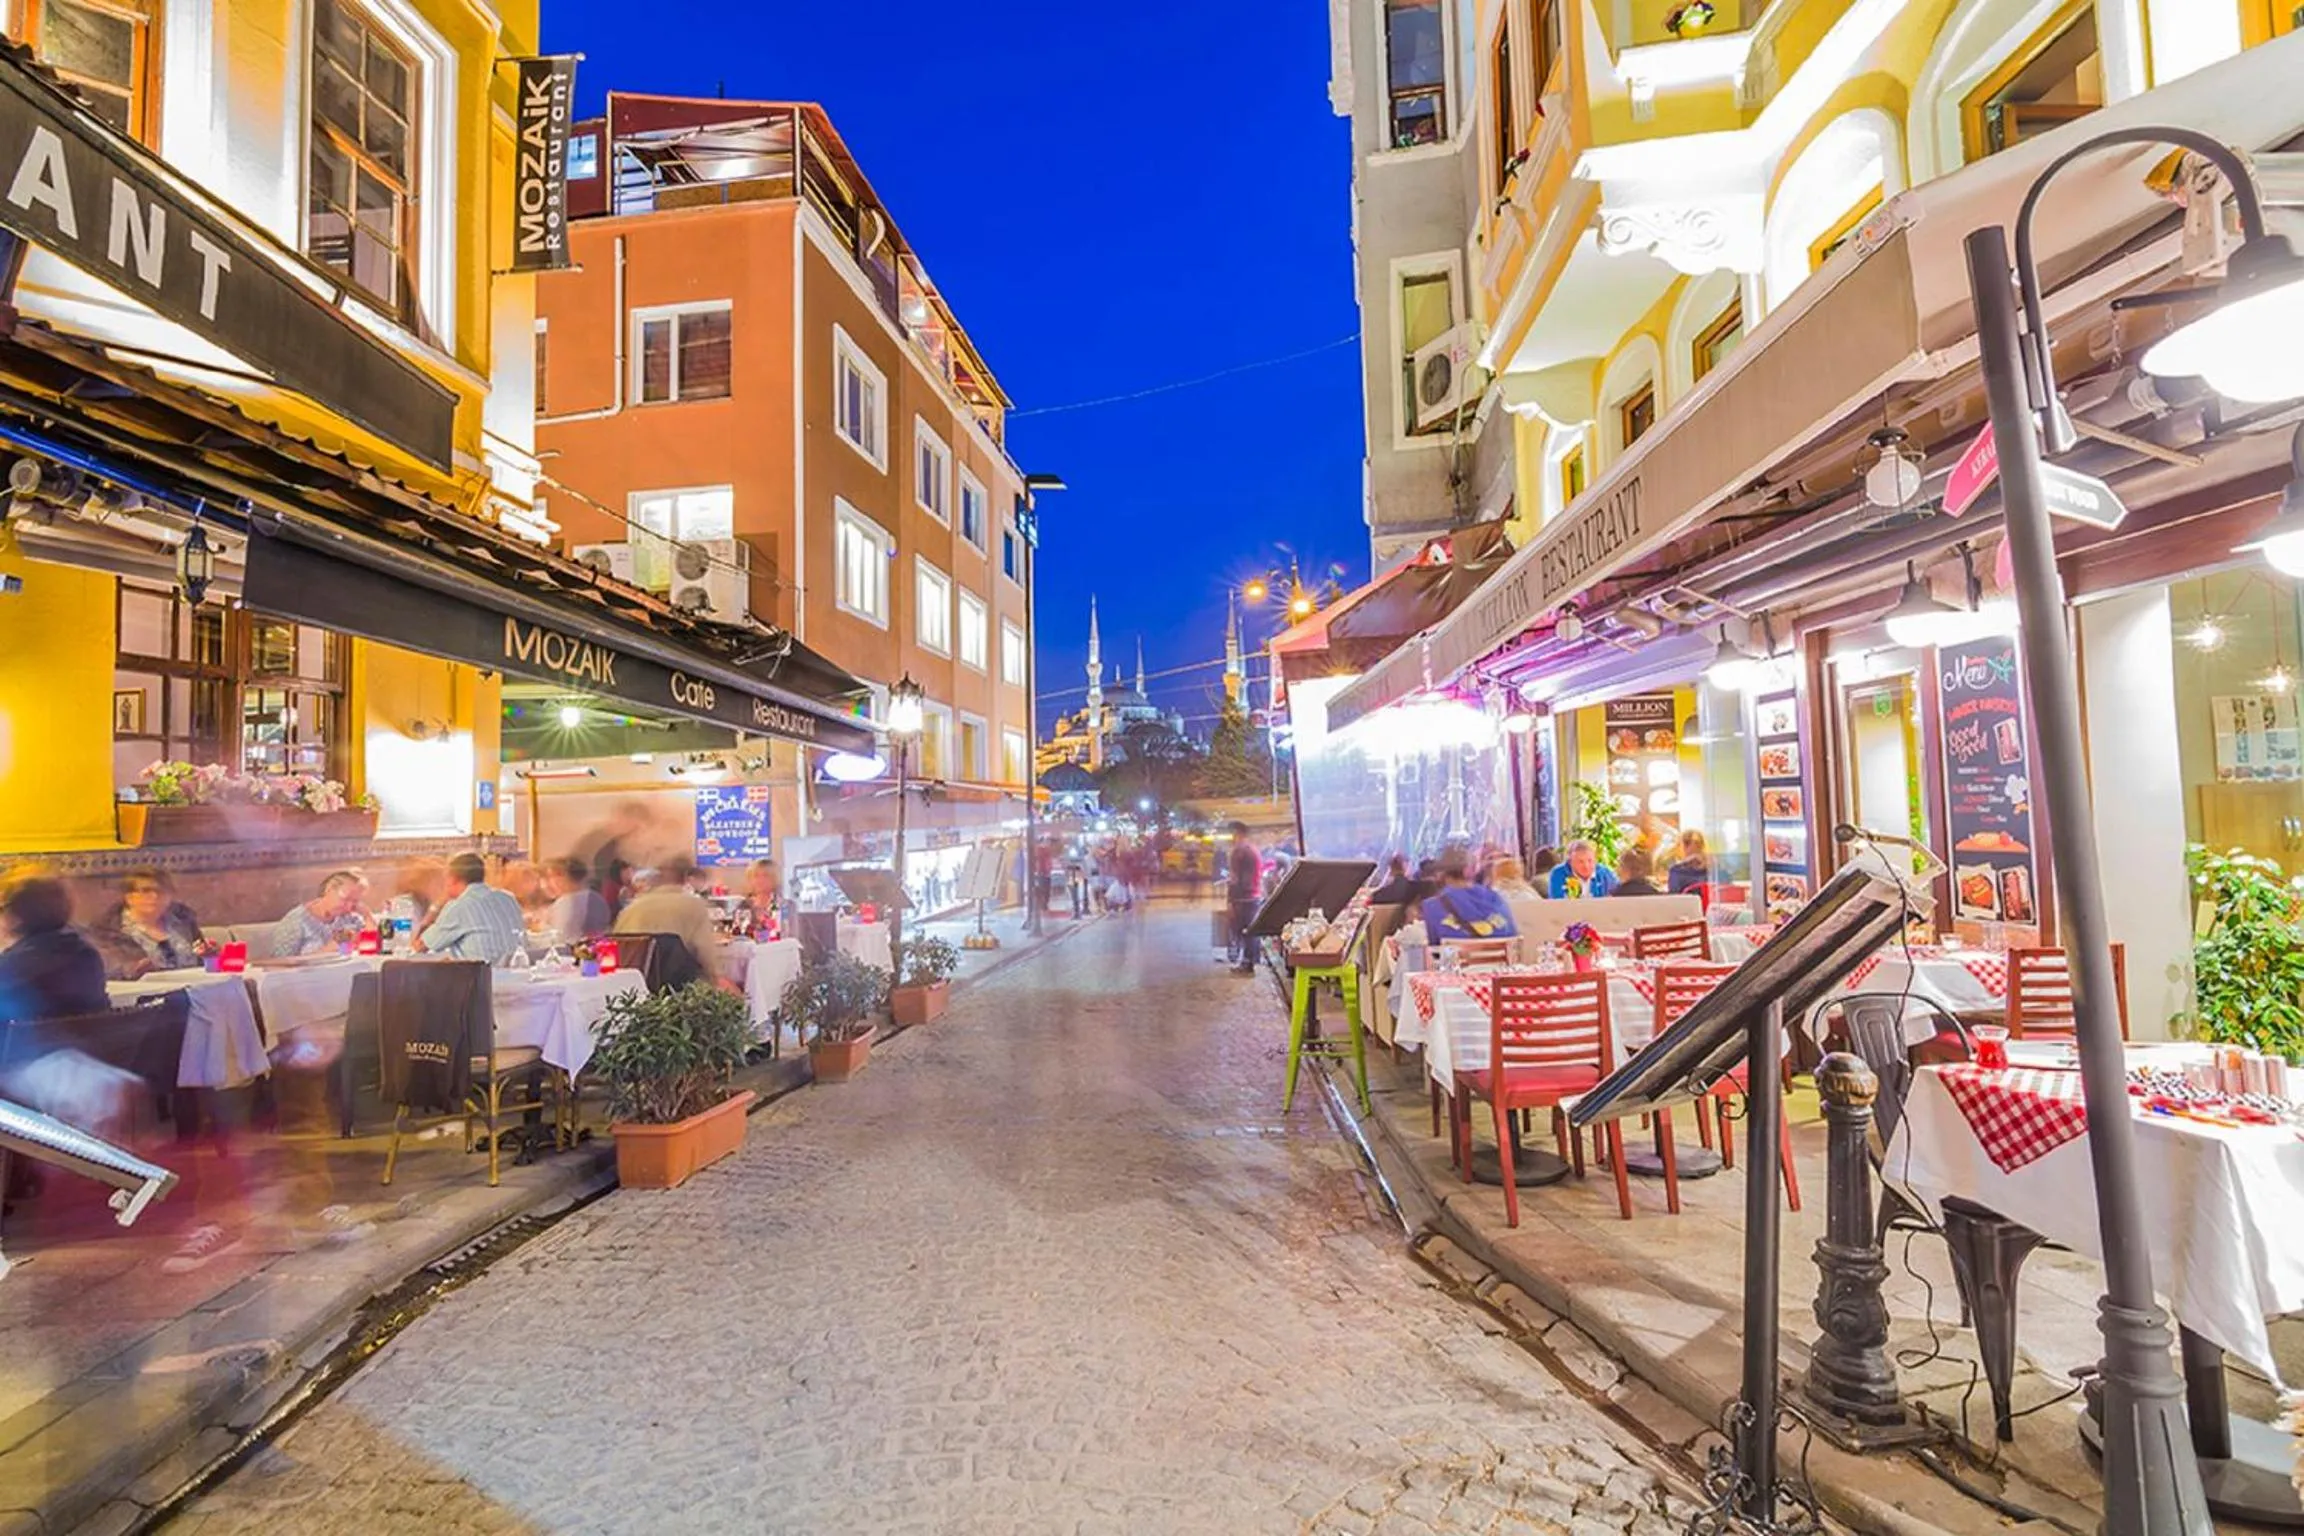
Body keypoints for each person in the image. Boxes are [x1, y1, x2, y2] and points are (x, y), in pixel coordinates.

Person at [0, 877, 109, 1020]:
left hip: (26, 1041)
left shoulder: (14, 964)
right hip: (89, 1040)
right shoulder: (87, 954)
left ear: (16, 915)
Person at [614, 855, 724, 981]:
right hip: (680, 990)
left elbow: (616, 946)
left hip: (633, 988)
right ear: (685, 878)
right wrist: (717, 979)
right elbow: (707, 956)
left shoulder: (631, 909)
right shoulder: (694, 906)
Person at [412, 853, 526, 965]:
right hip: (516, 978)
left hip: (480, 980)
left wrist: (436, 906)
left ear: (452, 879)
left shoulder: (459, 906)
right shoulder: (508, 898)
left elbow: (419, 946)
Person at [98, 870, 208, 977]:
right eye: (146, 891)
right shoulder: (108, 931)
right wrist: (131, 969)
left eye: (161, 891)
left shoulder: (184, 922)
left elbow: (201, 960)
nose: (154, 896)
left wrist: (210, 955)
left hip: (192, 989)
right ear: (129, 897)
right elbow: (107, 968)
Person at [1419, 851, 1519, 942]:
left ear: (1440, 874)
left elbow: (1433, 950)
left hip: (1457, 960)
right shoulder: (1496, 899)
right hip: (1500, 960)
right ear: (1471, 870)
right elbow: (1513, 936)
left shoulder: (1431, 906)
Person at [270, 870, 371, 957]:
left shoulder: (349, 917)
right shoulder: (296, 921)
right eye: (346, 899)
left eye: (355, 901)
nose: (349, 907)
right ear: (329, 890)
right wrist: (327, 950)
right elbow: (278, 964)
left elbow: (371, 946)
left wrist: (367, 916)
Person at [540, 857, 612, 944]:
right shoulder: (597, 898)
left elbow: (560, 938)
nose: (549, 883)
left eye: (551, 876)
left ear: (562, 877)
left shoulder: (565, 903)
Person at [1225, 823, 1262, 975]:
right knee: (1251, 931)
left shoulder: (1239, 851)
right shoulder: (1252, 849)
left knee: (1242, 931)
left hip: (1242, 897)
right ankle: (1251, 960)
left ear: (1237, 833)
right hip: (1253, 895)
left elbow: (1235, 878)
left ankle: (1246, 964)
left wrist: (1231, 900)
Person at [1546, 839, 1619, 899]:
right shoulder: (1558, 874)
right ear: (1570, 862)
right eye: (1580, 862)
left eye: (1590, 861)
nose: (1586, 866)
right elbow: (1557, 903)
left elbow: (1618, 897)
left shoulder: (1605, 873)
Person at [733, 859, 781, 937]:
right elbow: (737, 936)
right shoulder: (744, 906)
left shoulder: (785, 906)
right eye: (756, 876)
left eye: (765, 875)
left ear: (774, 879)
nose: (760, 880)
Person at [1667, 829, 1712, 895]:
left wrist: (1683, 862)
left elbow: (1673, 895)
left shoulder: (1676, 871)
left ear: (1683, 846)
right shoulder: (1714, 870)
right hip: (1710, 904)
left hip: (1687, 904)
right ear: (1703, 846)